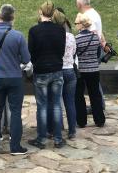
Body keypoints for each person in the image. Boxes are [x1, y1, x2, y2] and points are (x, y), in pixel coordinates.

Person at [0, 4, 30, 156]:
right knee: (16, 111)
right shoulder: (19, 36)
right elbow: (26, 59)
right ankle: (15, 146)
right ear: (13, 18)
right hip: (15, 78)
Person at [27, 1, 66, 149]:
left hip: (41, 70)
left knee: (42, 106)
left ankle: (42, 139)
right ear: (53, 13)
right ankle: (57, 138)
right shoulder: (60, 30)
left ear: (40, 12)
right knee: (56, 105)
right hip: (57, 69)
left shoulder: (34, 31)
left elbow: (31, 53)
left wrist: (37, 63)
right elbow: (61, 51)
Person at [76, 0, 107, 109]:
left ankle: (100, 104)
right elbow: (99, 33)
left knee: (93, 82)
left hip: (91, 51)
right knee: (94, 80)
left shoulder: (87, 16)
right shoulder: (95, 13)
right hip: (96, 48)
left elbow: (93, 32)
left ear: (79, 4)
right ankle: (99, 104)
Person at [74, 13, 105, 127]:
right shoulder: (95, 37)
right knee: (95, 94)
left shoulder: (76, 39)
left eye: (76, 23)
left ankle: (81, 121)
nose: (75, 25)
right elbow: (98, 53)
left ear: (82, 25)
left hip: (81, 70)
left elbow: (74, 54)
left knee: (79, 96)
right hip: (94, 70)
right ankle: (99, 120)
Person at [50, 9, 77, 140]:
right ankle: (72, 130)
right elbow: (73, 53)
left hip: (58, 70)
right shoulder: (71, 36)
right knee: (70, 102)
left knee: (57, 103)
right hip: (70, 70)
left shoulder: (54, 36)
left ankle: (58, 128)